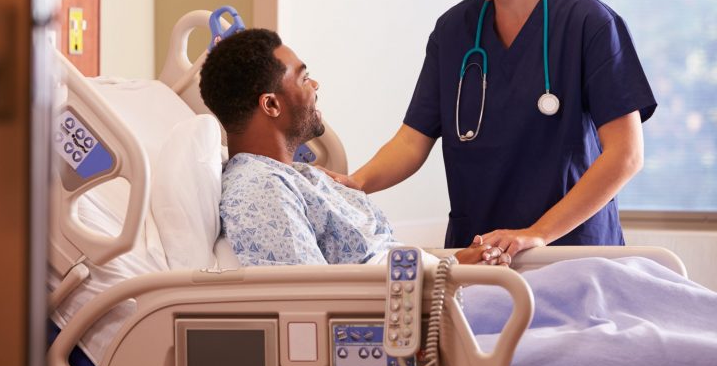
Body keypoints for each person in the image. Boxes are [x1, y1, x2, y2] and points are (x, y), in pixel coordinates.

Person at [325, 0, 656, 258]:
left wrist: (538, 233)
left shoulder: (588, 23)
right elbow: (412, 140)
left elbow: (625, 155)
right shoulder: (453, 32)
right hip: (480, 253)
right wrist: (357, 182)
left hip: (570, 253)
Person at [198, 28, 510, 268]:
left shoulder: (300, 176)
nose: (315, 86)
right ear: (271, 104)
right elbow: (311, 299)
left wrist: (453, 265)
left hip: (428, 299)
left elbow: (376, 260)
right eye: (304, 78)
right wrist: (451, 269)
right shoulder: (261, 190)